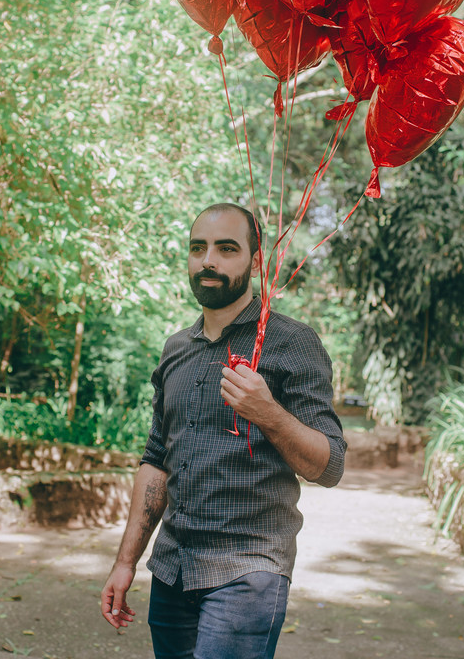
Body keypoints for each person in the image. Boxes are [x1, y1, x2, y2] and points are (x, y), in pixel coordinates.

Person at [100, 202, 347, 659]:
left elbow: (329, 466)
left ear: (255, 261)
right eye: (198, 248)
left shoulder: (292, 342)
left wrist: (267, 412)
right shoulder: (176, 349)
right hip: (172, 570)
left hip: (247, 573)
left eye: (227, 248)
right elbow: (156, 462)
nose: (208, 261)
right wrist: (125, 562)